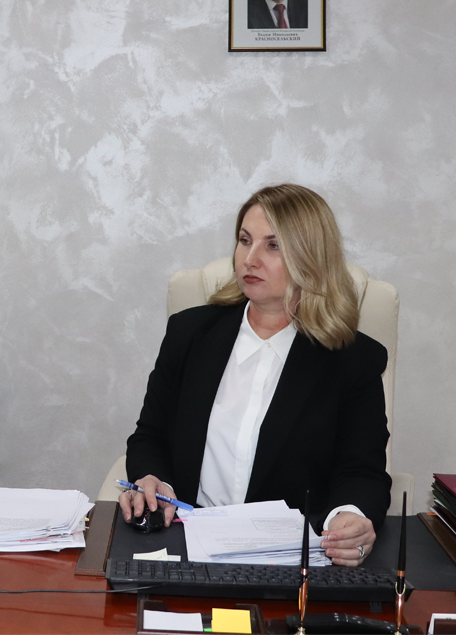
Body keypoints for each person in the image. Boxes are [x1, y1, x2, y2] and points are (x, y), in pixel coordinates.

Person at [120, 184, 391, 567]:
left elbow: (362, 471)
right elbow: (150, 436)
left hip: (290, 560)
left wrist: (350, 517)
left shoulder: (352, 360)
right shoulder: (189, 334)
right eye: (244, 240)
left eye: (273, 246)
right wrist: (153, 479)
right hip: (186, 545)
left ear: (311, 257)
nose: (249, 259)